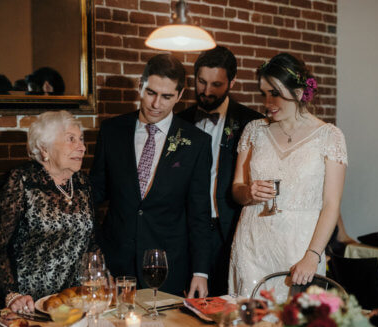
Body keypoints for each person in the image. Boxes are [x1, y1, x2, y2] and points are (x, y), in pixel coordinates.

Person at [90, 54, 213, 298]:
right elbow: (95, 195)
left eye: (166, 96)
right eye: (151, 93)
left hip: (167, 265)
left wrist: (201, 272)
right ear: (140, 86)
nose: (156, 104)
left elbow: (199, 213)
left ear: (179, 95)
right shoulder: (111, 130)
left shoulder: (197, 142)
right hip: (116, 264)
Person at [229, 53, 348, 298]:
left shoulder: (329, 136)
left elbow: (331, 205)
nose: (267, 102)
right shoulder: (254, 131)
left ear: (297, 92)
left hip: (300, 250)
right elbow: (236, 189)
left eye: (275, 93)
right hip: (252, 247)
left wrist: (313, 255)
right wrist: (249, 192)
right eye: (264, 94)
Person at [0, 110, 95, 312]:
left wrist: (101, 277)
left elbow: (91, 243)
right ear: (43, 148)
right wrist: (12, 295)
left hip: (71, 302)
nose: (82, 147)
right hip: (26, 304)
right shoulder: (22, 181)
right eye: (71, 140)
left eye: (81, 140)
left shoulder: (82, 183)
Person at [178, 46, 263, 296]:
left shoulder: (251, 123)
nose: (206, 91)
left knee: (226, 302)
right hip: (186, 229)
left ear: (232, 82)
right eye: (201, 82)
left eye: (216, 84)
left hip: (229, 228)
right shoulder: (179, 122)